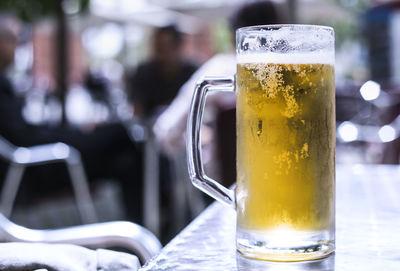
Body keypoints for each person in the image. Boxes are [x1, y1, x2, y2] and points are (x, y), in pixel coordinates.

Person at [0, 17, 143, 223]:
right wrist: (73, 135)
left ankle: (143, 220)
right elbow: (25, 139)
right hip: (34, 167)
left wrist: (71, 132)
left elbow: (24, 131)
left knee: (125, 160)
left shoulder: (5, 82)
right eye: (12, 40)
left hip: (39, 160)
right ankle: (157, 203)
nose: (17, 48)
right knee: (119, 132)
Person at [153, 0, 284, 184]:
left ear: (232, 34)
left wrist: (201, 142)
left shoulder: (220, 69)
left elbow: (166, 130)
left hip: (226, 188)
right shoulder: (297, 72)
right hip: (286, 180)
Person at [128, 25, 198, 119]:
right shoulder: (143, 73)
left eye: (167, 46)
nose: (162, 52)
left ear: (178, 47)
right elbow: (137, 110)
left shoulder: (192, 72)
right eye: (158, 46)